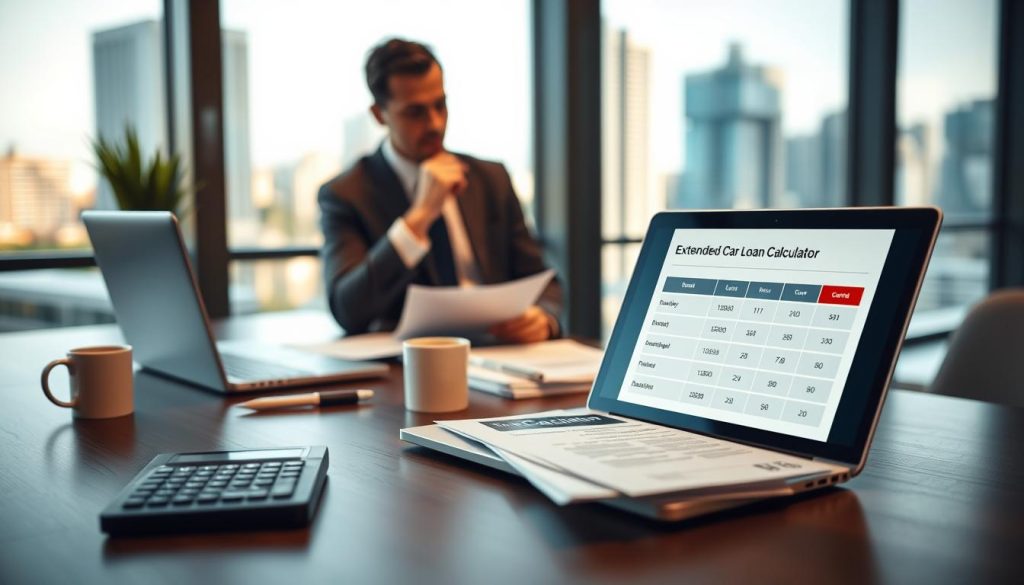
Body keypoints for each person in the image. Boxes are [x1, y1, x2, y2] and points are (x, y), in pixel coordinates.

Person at [318, 38, 562, 343]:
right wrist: (420, 216)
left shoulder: (491, 179)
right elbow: (347, 308)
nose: (434, 123)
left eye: (440, 105)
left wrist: (544, 318)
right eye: (415, 112)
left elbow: (543, 281)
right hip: (411, 361)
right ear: (379, 115)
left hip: (499, 350)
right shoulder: (346, 194)